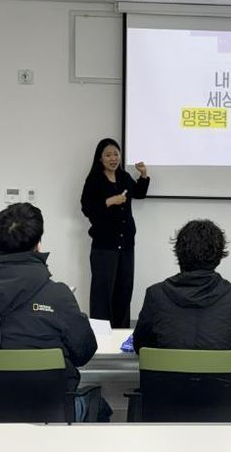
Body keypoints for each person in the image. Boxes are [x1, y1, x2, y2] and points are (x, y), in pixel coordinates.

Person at [0, 203, 97, 397]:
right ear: (38, 244)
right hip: (51, 409)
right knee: (101, 407)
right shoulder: (58, 296)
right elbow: (84, 353)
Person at [133, 219, 231, 364]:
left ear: (178, 253)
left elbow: (140, 347)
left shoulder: (155, 295)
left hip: (166, 379)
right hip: (221, 379)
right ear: (219, 256)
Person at [81, 138, 149, 328]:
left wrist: (143, 175)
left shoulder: (124, 177)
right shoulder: (94, 180)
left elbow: (139, 193)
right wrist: (110, 201)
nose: (113, 158)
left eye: (116, 154)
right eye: (108, 155)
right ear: (100, 158)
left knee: (124, 291)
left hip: (126, 244)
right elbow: (87, 208)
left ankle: (121, 332)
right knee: (102, 293)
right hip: (105, 245)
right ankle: (100, 335)